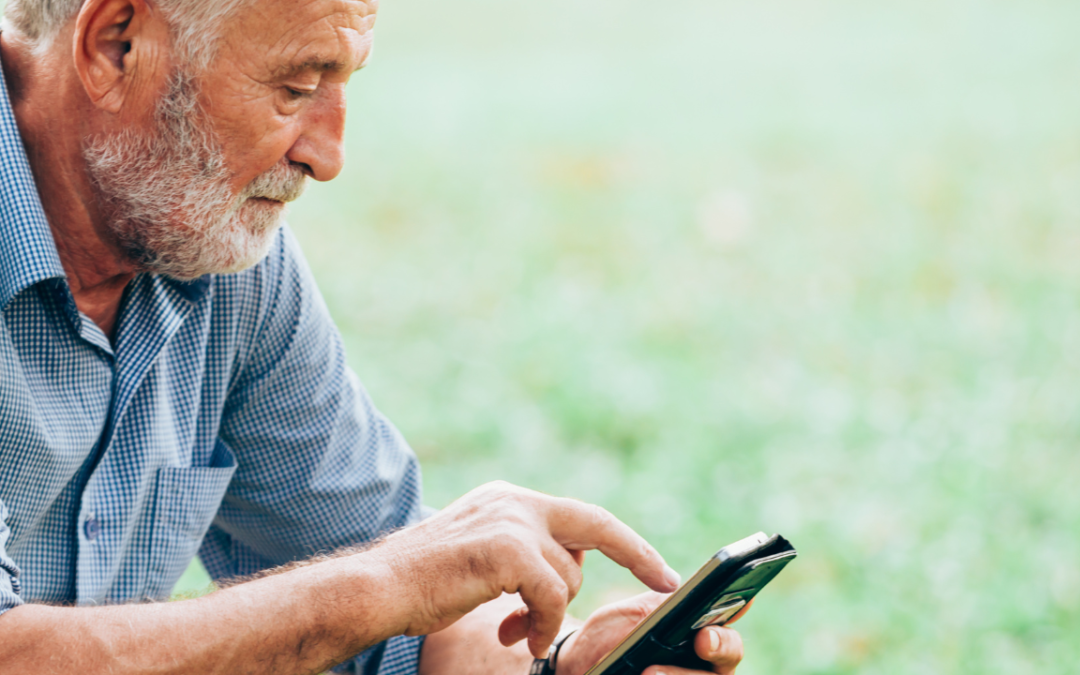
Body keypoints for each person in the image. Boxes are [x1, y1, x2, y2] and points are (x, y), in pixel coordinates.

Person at [0, 0, 750, 673]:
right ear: (116, 46)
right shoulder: (197, 213)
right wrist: (390, 582)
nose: (328, 157)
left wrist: (555, 663)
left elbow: (400, 603)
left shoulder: (213, 248)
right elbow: (388, 580)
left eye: (343, 82)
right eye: (295, 88)